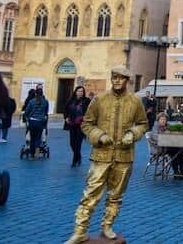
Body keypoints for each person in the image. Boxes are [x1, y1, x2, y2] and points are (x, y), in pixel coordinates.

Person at [64, 66, 148, 243]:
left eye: (121, 78)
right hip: (101, 155)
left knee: (116, 196)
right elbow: (87, 124)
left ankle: (107, 225)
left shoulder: (135, 101)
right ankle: (80, 231)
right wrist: (99, 136)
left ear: (127, 80)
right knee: (90, 194)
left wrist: (132, 134)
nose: (117, 81)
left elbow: (142, 123)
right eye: (114, 77)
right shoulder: (99, 100)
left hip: (124, 157)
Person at [64, 85, 91, 167]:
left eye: (82, 91)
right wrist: (66, 118)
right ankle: (78, 156)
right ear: (75, 92)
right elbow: (65, 110)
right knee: (72, 143)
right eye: (79, 91)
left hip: (81, 125)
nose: (80, 93)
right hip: (72, 124)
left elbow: (90, 112)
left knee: (78, 143)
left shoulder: (86, 101)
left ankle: (74, 161)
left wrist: (86, 119)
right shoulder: (71, 100)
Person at [22, 84, 50, 154]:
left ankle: (31, 154)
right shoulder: (45, 101)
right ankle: (37, 153)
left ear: (35, 93)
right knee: (38, 137)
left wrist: (26, 117)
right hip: (41, 121)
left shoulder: (31, 101)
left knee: (32, 138)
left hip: (32, 121)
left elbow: (27, 111)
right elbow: (46, 112)